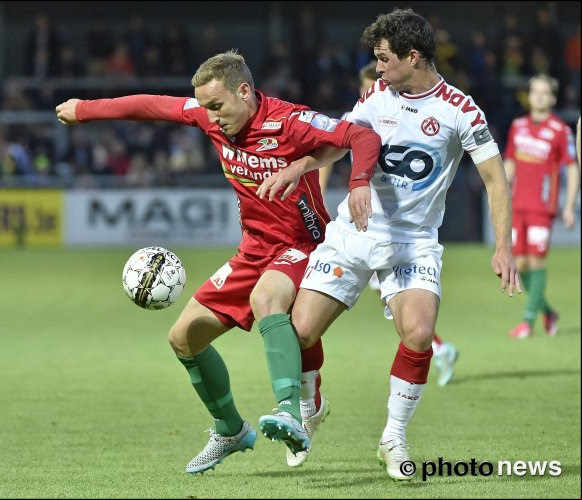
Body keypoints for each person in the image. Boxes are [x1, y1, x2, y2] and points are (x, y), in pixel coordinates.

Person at [55, 50, 381, 474]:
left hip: (302, 242)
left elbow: (362, 138)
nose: (209, 116)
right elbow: (150, 105)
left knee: (269, 300)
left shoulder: (289, 121)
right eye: (204, 107)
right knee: (183, 338)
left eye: (216, 106)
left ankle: (290, 411)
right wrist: (85, 110)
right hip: (253, 248)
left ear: (244, 91)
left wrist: (357, 183)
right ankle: (230, 429)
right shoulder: (209, 117)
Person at [257, 8, 520, 480]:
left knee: (419, 334)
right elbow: (340, 140)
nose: (377, 68)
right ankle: (309, 406)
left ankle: (393, 437)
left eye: (383, 59)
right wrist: (298, 167)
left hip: (412, 243)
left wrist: (504, 245)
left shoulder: (461, 111)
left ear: (412, 56)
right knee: (299, 336)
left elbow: (495, 179)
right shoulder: (377, 97)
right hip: (354, 234)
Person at [318, 60, 460, 390]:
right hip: (364, 226)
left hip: (396, 234)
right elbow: (330, 152)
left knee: (405, 313)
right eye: (368, 84)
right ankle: (438, 347)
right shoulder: (359, 117)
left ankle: (438, 348)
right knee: (397, 308)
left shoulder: (404, 115)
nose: (373, 89)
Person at [504, 75, 579, 339]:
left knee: (536, 261)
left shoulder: (560, 131)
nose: (538, 96)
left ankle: (527, 321)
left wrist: (568, 206)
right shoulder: (518, 126)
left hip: (541, 207)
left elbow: (571, 166)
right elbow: (510, 161)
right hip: (516, 206)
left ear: (553, 98)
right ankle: (548, 312)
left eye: (544, 92)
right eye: (534, 91)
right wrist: (500, 191)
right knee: (519, 265)